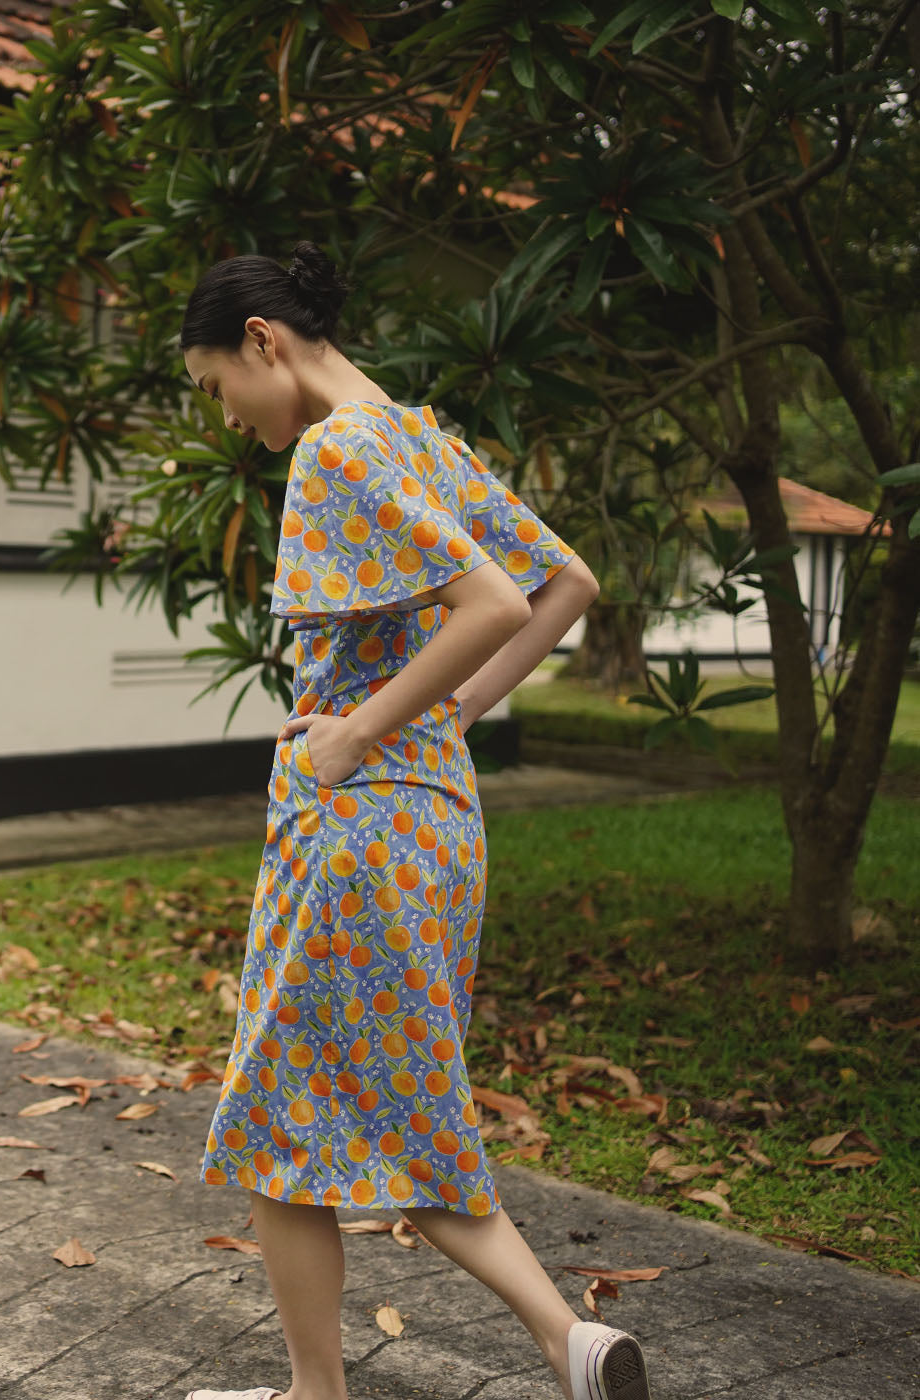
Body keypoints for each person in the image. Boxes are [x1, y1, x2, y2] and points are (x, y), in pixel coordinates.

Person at [179, 243, 653, 1400]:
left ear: (260, 342)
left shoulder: (338, 448)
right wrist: (450, 710)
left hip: (356, 830)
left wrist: (360, 731)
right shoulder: (415, 434)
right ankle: (571, 1343)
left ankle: (317, 1396)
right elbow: (567, 584)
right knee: (396, 1105)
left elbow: (493, 600)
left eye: (214, 387)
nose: (227, 417)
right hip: (437, 826)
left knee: (280, 1124)